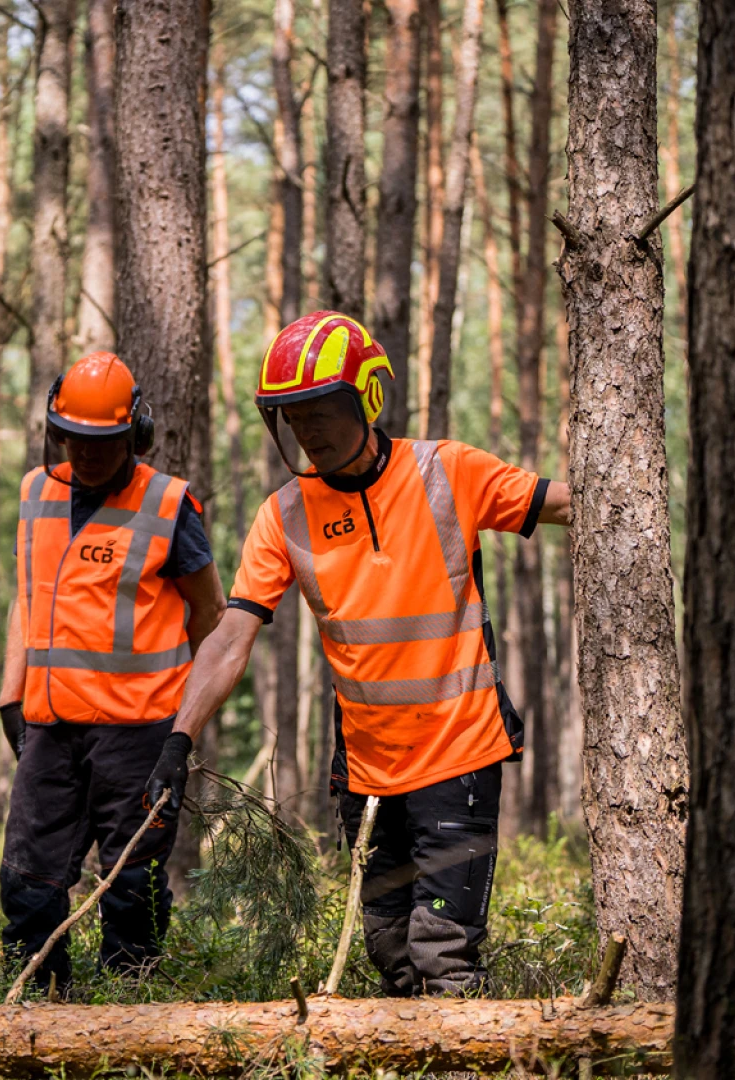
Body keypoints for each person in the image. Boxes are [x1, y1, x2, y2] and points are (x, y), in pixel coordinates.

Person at [147, 311, 571, 997]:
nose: (308, 431)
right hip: (368, 768)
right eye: (293, 418)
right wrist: (178, 737)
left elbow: (566, 503)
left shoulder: (449, 471)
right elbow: (230, 634)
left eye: (321, 413)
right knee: (391, 952)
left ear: (366, 399)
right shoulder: (284, 513)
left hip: (459, 756)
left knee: (444, 957)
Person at [0, 352, 226, 994]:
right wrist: (9, 692)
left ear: (135, 433)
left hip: (139, 730)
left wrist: (187, 724)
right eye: (74, 439)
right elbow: (29, 593)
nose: (87, 454)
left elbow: (209, 611)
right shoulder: (35, 491)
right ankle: (34, 1007)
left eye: (103, 441)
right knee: (28, 882)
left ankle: (133, 1008)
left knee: (132, 884)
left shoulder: (169, 505)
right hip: (49, 724)